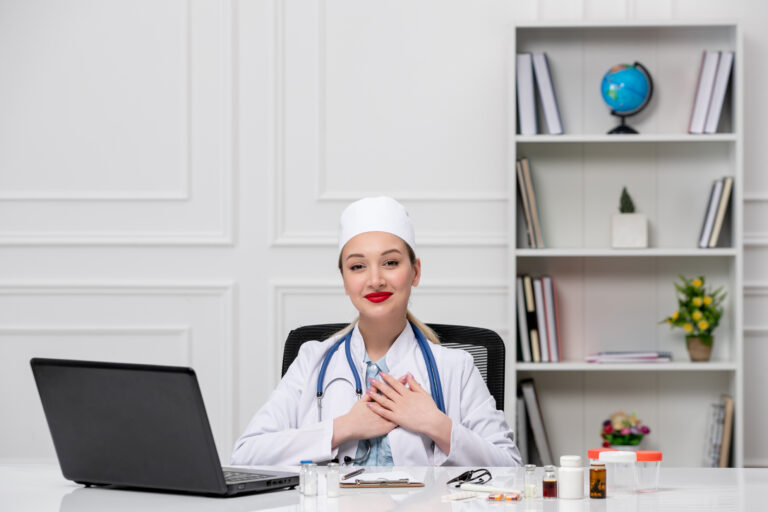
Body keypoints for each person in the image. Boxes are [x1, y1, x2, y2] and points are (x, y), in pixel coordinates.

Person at [231, 197, 521, 467]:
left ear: (415, 272)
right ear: (345, 281)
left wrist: (435, 424)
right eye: (357, 266)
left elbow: (511, 467)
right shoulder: (312, 360)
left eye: (391, 263)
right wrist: (343, 427)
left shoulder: (455, 367)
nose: (375, 280)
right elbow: (246, 456)